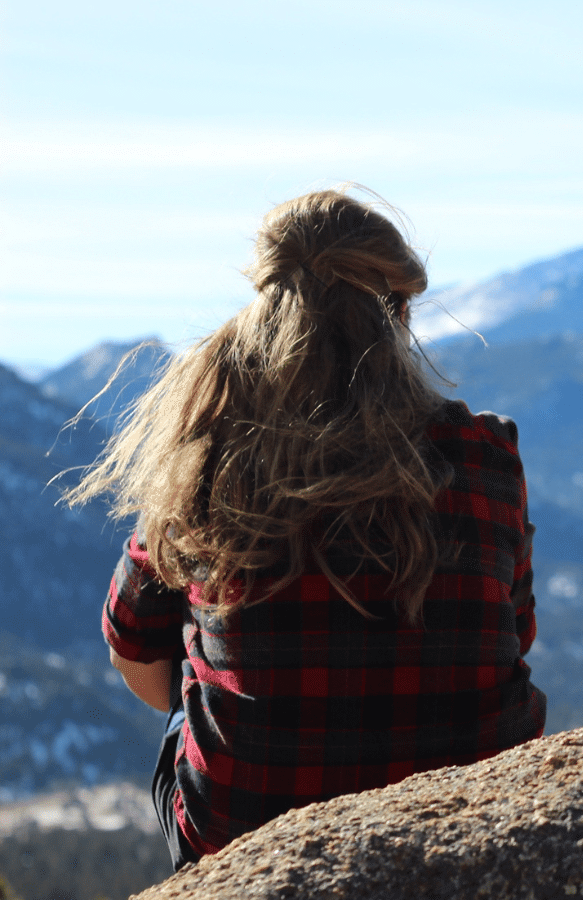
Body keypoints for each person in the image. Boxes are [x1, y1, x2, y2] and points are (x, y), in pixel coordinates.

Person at [66, 188, 547, 870]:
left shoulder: (209, 453)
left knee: (188, 637)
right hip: (474, 817)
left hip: (243, 828)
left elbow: (134, 649)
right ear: (399, 316)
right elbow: (515, 631)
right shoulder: (485, 452)